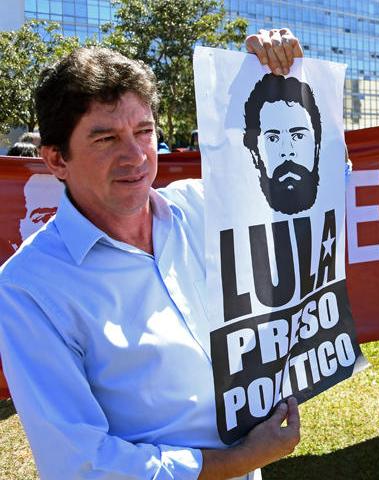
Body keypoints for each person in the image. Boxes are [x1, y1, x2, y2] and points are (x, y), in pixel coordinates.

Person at [0, 28, 303, 479]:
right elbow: (82, 466)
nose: (137, 157)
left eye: (144, 131)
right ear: (56, 160)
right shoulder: (28, 289)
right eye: (105, 140)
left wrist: (283, 80)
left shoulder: (200, 207)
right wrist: (240, 460)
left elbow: (310, 198)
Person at [243, 74, 321, 214]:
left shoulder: (339, 185)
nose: (287, 151)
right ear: (254, 152)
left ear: (317, 146)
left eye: (298, 136)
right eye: (273, 139)